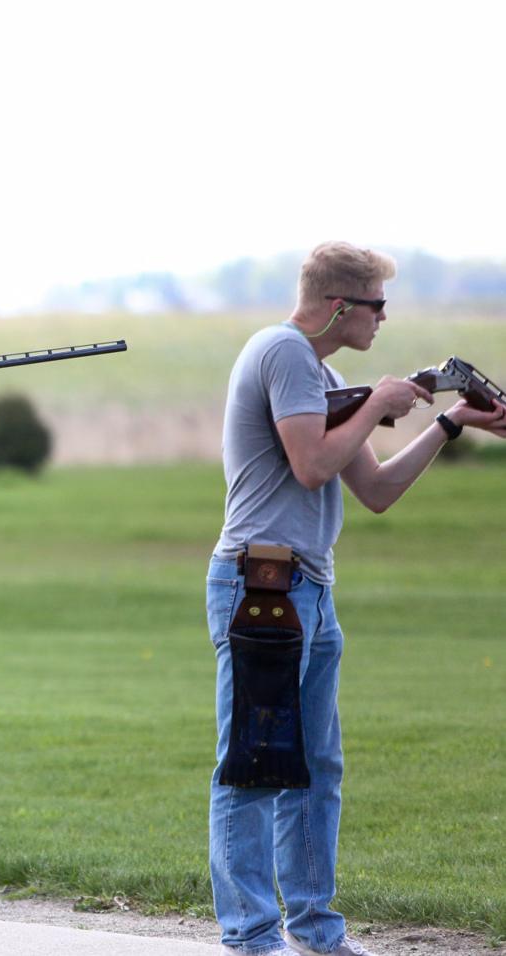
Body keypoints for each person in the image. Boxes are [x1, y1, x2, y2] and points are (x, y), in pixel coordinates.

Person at [206, 242, 506, 956]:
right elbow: (311, 466)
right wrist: (376, 401)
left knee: (315, 768)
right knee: (252, 766)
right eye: (376, 304)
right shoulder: (281, 352)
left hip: (308, 587)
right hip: (261, 587)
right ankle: (250, 937)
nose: (382, 318)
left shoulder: (323, 371)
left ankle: (312, 929)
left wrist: (446, 423)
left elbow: (372, 492)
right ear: (340, 305)